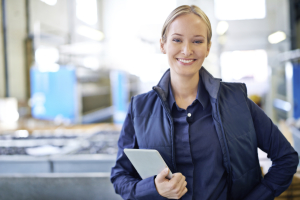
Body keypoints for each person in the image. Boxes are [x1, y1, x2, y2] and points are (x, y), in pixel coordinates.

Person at [110, 5, 299, 200]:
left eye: (197, 41)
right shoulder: (139, 109)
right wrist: (154, 188)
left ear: (208, 47)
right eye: (177, 40)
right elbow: (120, 177)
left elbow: (286, 158)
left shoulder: (237, 101)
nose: (187, 50)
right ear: (163, 44)